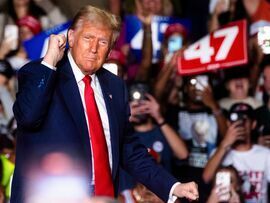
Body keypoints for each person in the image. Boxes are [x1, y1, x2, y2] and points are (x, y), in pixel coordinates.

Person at [11, 5, 199, 203]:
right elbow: (28, 118)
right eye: (88, 38)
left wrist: (173, 186)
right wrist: (49, 61)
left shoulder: (115, 86)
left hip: (103, 197)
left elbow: (129, 149)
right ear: (71, 38)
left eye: (102, 42)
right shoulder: (40, 72)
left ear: (110, 50)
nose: (94, 48)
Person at [203, 102, 270, 203]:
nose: (240, 125)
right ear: (229, 124)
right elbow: (206, 178)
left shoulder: (265, 154)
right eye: (236, 120)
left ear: (253, 124)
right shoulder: (218, 152)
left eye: (244, 120)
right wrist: (225, 144)